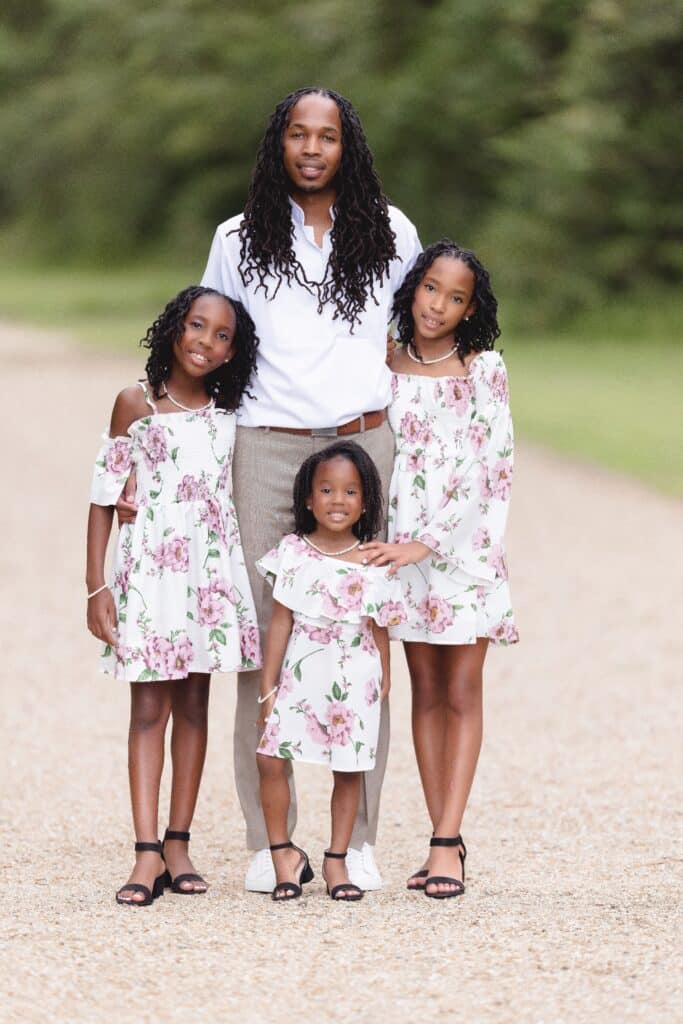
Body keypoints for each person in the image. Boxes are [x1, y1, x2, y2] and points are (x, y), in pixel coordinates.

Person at [199, 86, 421, 892]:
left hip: (361, 441)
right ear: (280, 144)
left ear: (346, 146)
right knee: (268, 640)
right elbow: (212, 339)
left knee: (360, 631)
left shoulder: (391, 231)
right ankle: (270, 842)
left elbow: (414, 335)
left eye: (326, 135)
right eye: (298, 133)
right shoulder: (236, 236)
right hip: (265, 444)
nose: (312, 148)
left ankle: (352, 841)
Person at [87, 285, 261, 905]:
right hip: (150, 578)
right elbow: (105, 496)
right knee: (147, 712)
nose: (205, 342)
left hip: (206, 580)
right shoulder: (135, 403)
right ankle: (144, 853)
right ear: (173, 327)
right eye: (196, 326)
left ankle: (178, 841)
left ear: (232, 352)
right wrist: (96, 586)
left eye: (222, 336)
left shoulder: (231, 409)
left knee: (193, 707)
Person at [360, 240, 519, 899]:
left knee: (461, 689)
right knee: (423, 690)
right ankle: (438, 835)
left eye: (455, 298)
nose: (438, 305)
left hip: (462, 551)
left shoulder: (482, 369)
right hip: (399, 555)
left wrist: (428, 543)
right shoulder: (382, 364)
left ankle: (447, 840)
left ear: (469, 308)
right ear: (413, 287)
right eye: (431, 289)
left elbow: (491, 468)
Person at [255, 442, 405, 901]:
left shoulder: (374, 562)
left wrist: (385, 675)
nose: (338, 501)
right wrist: (268, 684)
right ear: (307, 498)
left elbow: (379, 627)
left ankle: (337, 859)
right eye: (326, 490)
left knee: (349, 769)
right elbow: (281, 619)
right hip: (301, 676)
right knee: (270, 759)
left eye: (350, 492)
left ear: (365, 502)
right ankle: (283, 853)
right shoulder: (293, 553)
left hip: (354, 679)